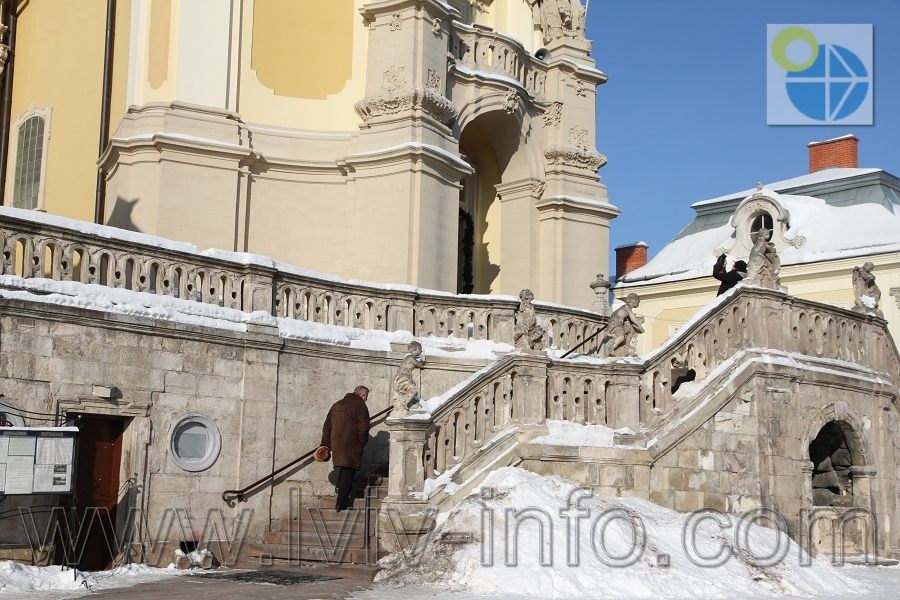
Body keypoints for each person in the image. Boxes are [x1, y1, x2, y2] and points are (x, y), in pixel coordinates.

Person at [320, 385, 370, 511]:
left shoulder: (337, 404)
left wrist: (325, 444)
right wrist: (363, 441)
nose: (366, 400)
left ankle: (339, 488)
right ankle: (341, 503)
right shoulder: (360, 406)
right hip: (351, 443)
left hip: (336, 442)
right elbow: (363, 427)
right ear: (363, 395)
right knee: (348, 470)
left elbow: (327, 426)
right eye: (366, 397)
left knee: (343, 468)